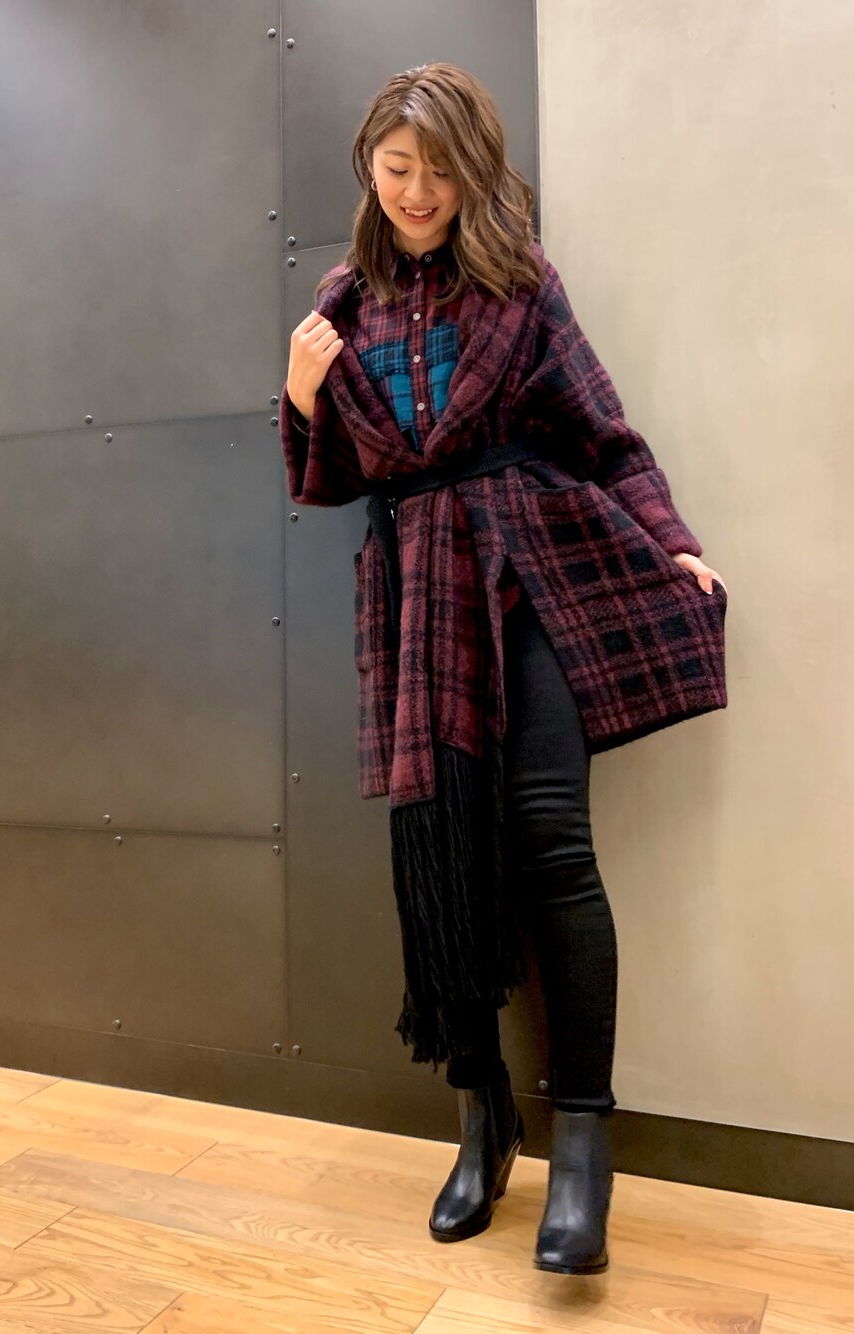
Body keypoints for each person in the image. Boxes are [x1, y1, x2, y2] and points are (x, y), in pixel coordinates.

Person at [278, 62, 728, 1277]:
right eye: (396, 167)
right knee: (443, 858)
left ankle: (583, 1140)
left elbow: (605, 434)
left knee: (549, 839)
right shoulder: (341, 303)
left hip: (534, 570)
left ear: (473, 171)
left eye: (437, 169)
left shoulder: (520, 283)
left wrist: (674, 539)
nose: (416, 191)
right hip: (419, 589)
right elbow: (329, 480)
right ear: (370, 167)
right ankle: (482, 1121)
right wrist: (301, 394)